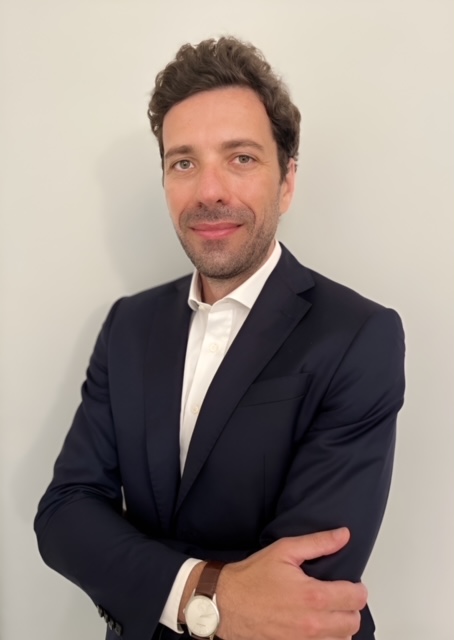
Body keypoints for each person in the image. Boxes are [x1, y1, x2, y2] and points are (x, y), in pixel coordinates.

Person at [34, 36, 405, 640]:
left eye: (241, 158)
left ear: (287, 181)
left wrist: (143, 574)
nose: (209, 191)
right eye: (184, 162)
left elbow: (303, 590)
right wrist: (207, 594)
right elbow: (66, 514)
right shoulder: (127, 325)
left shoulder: (359, 335)